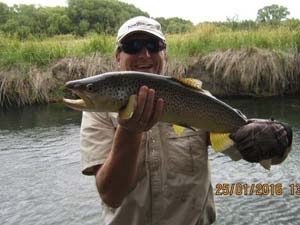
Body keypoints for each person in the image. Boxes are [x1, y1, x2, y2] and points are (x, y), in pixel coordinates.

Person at [79, 16, 293, 225]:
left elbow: (253, 149)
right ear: (118, 55)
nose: (144, 54)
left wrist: (278, 139)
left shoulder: (198, 98)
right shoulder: (98, 112)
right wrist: (129, 131)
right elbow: (111, 194)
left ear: (165, 53)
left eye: (153, 45)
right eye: (132, 45)